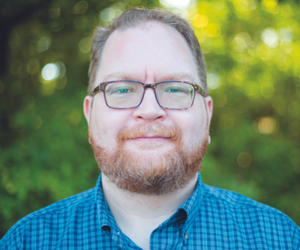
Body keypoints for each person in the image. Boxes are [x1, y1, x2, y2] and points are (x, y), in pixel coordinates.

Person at [1, 8, 299, 250]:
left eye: (174, 88)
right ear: (90, 115)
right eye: (121, 90)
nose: (150, 110)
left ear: (206, 116)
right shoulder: (26, 242)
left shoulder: (280, 240)